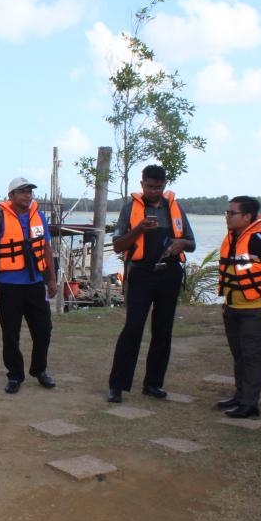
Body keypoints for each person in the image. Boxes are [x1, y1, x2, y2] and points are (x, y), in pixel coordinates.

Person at [106, 164, 196, 403]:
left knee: (163, 329)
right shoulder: (130, 209)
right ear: (142, 183)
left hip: (170, 273)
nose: (154, 191)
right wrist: (138, 230)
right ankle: (117, 385)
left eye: (158, 187)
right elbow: (117, 246)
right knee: (133, 328)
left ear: (164, 186)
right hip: (141, 274)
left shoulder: (175, 208)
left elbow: (191, 242)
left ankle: (153, 383)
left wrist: (181, 245)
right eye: (149, 186)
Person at [0, 177, 57, 394]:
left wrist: (51, 279)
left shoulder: (38, 216)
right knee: (11, 334)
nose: (27, 195)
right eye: (22, 192)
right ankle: (14, 375)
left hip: (34, 284)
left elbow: (46, 249)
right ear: (11, 196)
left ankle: (39, 370)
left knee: (44, 330)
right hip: (8, 286)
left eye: (29, 191)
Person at [216, 196, 261, 418]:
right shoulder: (233, 238)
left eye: (231, 213)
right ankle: (240, 396)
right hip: (232, 306)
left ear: (247, 216)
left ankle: (250, 403)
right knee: (239, 354)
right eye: (226, 213)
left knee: (253, 355)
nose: (227, 217)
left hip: (254, 308)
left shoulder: (260, 240)